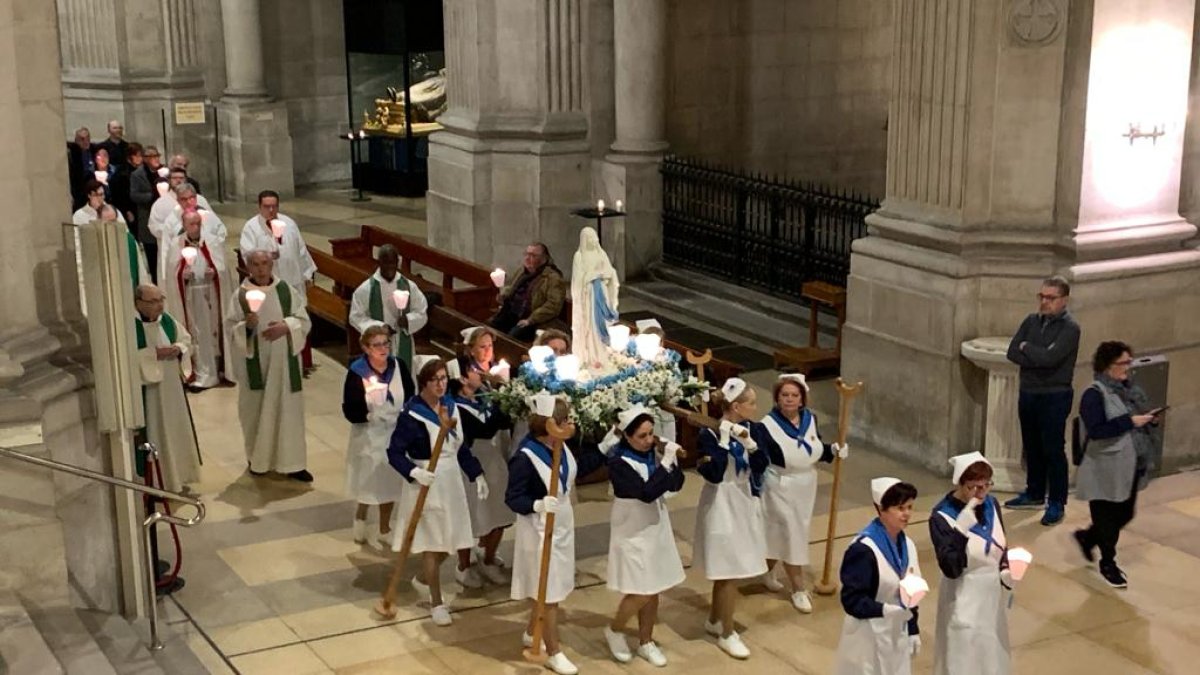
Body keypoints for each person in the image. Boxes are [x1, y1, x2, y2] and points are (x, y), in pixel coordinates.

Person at [506, 393, 607, 675]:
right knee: (547, 593)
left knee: (556, 587)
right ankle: (553, 651)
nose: (569, 424)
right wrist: (536, 504)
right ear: (548, 423)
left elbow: (578, 470)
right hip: (538, 531)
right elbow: (513, 498)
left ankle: (532, 630)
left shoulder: (560, 446)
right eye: (563, 420)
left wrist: (606, 445)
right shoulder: (525, 458)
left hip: (562, 525)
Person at [386, 355, 488, 626]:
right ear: (424, 382)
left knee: (452, 540)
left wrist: (476, 473)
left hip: (451, 479)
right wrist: (413, 471)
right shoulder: (412, 415)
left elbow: (460, 447)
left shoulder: (451, 407)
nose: (441, 385)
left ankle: (422, 579)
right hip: (426, 483)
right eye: (435, 380)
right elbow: (394, 452)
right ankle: (436, 601)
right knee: (432, 544)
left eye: (444, 379)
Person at [752, 373, 847, 613]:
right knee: (792, 534)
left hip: (806, 486)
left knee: (780, 533)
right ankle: (798, 588)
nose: (789, 400)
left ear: (802, 399)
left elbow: (813, 448)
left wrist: (832, 451)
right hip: (780, 486)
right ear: (777, 398)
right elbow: (760, 459)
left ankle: (766, 569)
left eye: (794, 395)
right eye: (784, 395)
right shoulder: (766, 426)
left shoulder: (810, 419)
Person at [1072, 340, 1159, 588]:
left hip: (1130, 463)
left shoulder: (1129, 389)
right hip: (1104, 467)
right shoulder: (1094, 394)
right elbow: (1098, 429)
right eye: (1123, 363)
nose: (1128, 368)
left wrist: (1149, 420)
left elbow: (1136, 417)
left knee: (1125, 513)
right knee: (1107, 518)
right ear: (1108, 366)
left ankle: (1088, 538)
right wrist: (1131, 422)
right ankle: (1108, 563)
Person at [603, 406, 685, 667]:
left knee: (654, 585)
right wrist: (665, 464)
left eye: (651, 434)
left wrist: (670, 463)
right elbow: (646, 492)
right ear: (627, 436)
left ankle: (645, 640)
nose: (649, 440)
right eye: (642, 436)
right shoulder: (618, 463)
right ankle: (615, 630)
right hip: (632, 530)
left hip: (656, 526)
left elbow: (676, 483)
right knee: (640, 590)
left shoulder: (652, 454)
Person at [693, 377, 769, 660]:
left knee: (731, 568)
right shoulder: (708, 435)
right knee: (729, 570)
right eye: (751, 403)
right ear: (736, 407)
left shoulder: (754, 430)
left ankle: (714, 620)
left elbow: (762, 465)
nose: (755, 407)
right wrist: (724, 443)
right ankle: (727, 632)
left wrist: (750, 445)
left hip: (744, 500)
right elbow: (713, 473)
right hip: (721, 502)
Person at [225, 250, 312, 482]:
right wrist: (247, 327)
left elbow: (303, 321)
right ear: (248, 267)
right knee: (256, 413)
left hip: (284, 365)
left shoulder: (286, 291)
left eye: (265, 263)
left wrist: (287, 326)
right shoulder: (240, 296)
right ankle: (258, 460)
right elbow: (230, 329)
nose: (261, 268)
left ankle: (294, 463)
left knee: (289, 413)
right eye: (255, 264)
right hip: (257, 367)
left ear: (272, 265)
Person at [1004, 276, 1081, 526]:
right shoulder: (1030, 321)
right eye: (1042, 297)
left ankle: (1057, 501)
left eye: (1051, 298)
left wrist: (1030, 350)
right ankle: (1034, 492)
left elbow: (1051, 359)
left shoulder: (1070, 328)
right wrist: (1033, 352)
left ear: (1064, 300)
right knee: (1032, 445)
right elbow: (1012, 351)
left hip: (1054, 395)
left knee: (1052, 449)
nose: (1045, 302)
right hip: (1029, 392)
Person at [930, 453, 1013, 675]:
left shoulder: (992, 504)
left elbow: (1000, 543)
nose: (981, 493)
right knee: (963, 657)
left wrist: (1006, 568)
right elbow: (951, 568)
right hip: (963, 597)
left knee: (991, 654)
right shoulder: (941, 517)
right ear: (961, 484)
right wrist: (960, 530)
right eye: (974, 487)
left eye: (986, 486)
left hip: (991, 598)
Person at [835, 478, 923, 675]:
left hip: (896, 633)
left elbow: (912, 591)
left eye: (910, 507)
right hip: (867, 635)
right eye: (900, 508)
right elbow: (851, 600)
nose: (907, 513)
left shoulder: (907, 544)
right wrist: (884, 609)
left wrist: (913, 627)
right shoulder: (864, 549)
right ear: (881, 509)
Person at [451, 327, 515, 588]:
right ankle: (464, 565)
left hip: (493, 459)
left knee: (498, 510)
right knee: (472, 514)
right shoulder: (458, 407)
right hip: (472, 462)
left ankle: (487, 557)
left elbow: (502, 421)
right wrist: (499, 397)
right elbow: (484, 428)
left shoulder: (486, 397)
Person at [342, 326, 414, 547]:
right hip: (369, 434)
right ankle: (361, 515)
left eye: (386, 343)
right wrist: (369, 408)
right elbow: (349, 409)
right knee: (368, 481)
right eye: (377, 345)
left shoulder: (398, 366)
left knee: (389, 482)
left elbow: (410, 394)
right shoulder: (357, 371)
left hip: (394, 433)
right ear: (366, 347)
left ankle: (384, 528)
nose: (383, 349)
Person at [239, 190, 317, 371]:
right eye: (267, 206)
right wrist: (266, 254)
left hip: (292, 280)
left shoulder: (289, 223)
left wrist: (307, 273)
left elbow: (301, 249)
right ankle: (275, 362)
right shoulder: (251, 227)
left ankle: (300, 362)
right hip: (268, 285)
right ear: (259, 207)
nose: (271, 210)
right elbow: (247, 254)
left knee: (296, 317)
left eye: (274, 206)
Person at [133, 284, 200, 492]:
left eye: (161, 299)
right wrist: (153, 355)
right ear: (138, 303)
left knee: (175, 429)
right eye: (153, 302)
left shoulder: (168, 321)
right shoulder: (131, 327)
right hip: (149, 395)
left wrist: (178, 349)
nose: (159, 305)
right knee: (155, 432)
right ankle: (157, 482)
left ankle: (178, 477)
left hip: (173, 391)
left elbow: (186, 340)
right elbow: (126, 359)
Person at [161, 210, 233, 389]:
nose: (195, 228)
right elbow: (171, 273)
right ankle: (201, 372)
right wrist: (182, 275)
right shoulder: (177, 245)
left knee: (213, 332)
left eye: (198, 224)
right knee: (197, 335)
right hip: (190, 298)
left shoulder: (212, 242)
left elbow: (223, 269)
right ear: (184, 225)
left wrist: (215, 273)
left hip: (211, 296)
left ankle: (217, 370)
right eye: (191, 224)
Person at [348, 244, 428, 368]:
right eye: (386, 263)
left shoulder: (408, 286)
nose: (390, 267)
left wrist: (408, 320)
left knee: (403, 377)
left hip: (403, 342)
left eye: (393, 263)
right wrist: (380, 327)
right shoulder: (367, 288)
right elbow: (355, 317)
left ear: (398, 262)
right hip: (378, 344)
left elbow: (422, 311)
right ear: (379, 262)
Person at [490, 242, 566, 342]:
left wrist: (531, 320)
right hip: (512, 312)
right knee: (490, 330)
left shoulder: (553, 278)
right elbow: (512, 288)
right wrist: (503, 295)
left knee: (511, 338)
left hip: (532, 319)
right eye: (527, 254)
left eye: (533, 255)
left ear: (544, 258)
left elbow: (553, 306)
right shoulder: (522, 271)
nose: (527, 258)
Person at [570, 227, 619, 369]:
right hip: (588, 296)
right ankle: (590, 354)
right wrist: (591, 276)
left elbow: (610, 272)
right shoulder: (579, 256)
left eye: (594, 237)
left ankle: (601, 352)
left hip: (601, 292)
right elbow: (578, 279)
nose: (593, 240)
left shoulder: (601, 253)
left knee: (600, 323)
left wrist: (600, 275)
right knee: (590, 324)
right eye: (589, 237)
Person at [130, 145, 166, 277]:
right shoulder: (137, 175)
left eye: (156, 156)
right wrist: (152, 195)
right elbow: (134, 195)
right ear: (145, 159)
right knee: (152, 256)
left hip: (165, 217)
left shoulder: (164, 172)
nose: (155, 159)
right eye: (151, 156)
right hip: (147, 216)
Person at [109, 142, 142, 226]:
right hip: (128, 209)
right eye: (136, 156)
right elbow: (119, 195)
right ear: (129, 156)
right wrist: (127, 210)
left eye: (140, 155)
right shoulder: (122, 173)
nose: (140, 158)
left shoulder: (139, 170)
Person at [67, 127, 97, 209]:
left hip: (94, 187)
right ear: (76, 140)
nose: (86, 141)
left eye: (88, 138)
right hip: (79, 189)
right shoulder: (72, 152)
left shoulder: (94, 149)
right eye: (82, 139)